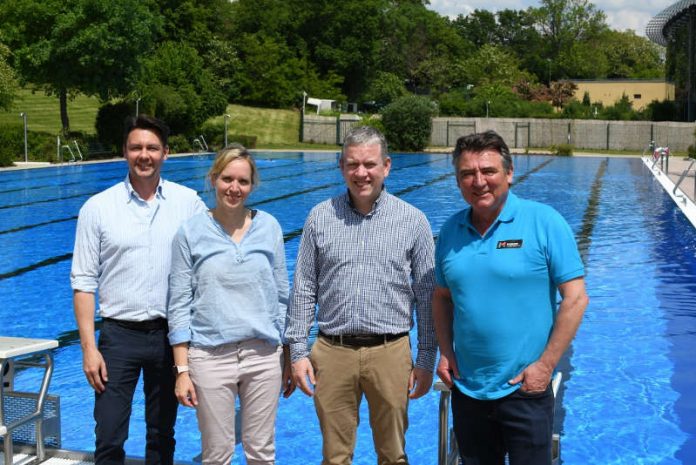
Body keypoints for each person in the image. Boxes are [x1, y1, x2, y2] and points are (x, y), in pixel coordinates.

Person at [432, 130, 589, 465]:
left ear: (509, 172)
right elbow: (442, 298)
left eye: (488, 171)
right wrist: (445, 352)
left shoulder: (544, 221)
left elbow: (575, 299)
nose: (479, 182)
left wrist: (545, 365)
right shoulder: (450, 231)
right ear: (458, 180)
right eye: (467, 174)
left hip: (525, 389)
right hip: (468, 388)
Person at [285, 126, 436, 465]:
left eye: (369, 164)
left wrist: (426, 358)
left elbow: (426, 297)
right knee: (335, 457)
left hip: (391, 351)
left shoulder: (413, 221)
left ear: (386, 166)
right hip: (332, 351)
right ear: (341, 167)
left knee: (393, 455)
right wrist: (297, 351)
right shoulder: (320, 218)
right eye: (353, 164)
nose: (361, 173)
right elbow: (304, 288)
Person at [71, 115, 207, 465]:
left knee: (162, 433)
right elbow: (84, 283)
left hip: (169, 336)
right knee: (110, 431)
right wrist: (89, 349)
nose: (143, 155)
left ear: (166, 153)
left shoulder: (188, 203)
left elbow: (210, 266)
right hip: (119, 337)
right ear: (124, 152)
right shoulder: (97, 208)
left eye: (152, 148)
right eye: (136, 147)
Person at [167, 144, 293, 465]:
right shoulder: (190, 232)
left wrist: (289, 355)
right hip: (210, 356)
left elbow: (282, 296)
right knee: (217, 453)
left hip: (263, 356)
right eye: (227, 179)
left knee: (261, 451)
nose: (234, 188)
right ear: (213, 180)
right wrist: (182, 370)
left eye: (243, 182)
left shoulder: (270, 227)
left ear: (252, 186)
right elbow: (179, 302)